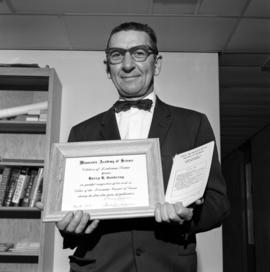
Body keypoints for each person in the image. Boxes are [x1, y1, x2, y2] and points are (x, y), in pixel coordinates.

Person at [56, 22, 230, 272]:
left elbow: (218, 203)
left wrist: (189, 214)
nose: (128, 65)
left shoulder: (193, 124)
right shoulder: (82, 133)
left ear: (156, 63)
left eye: (139, 53)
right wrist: (67, 225)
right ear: (108, 67)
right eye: (117, 55)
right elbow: (70, 213)